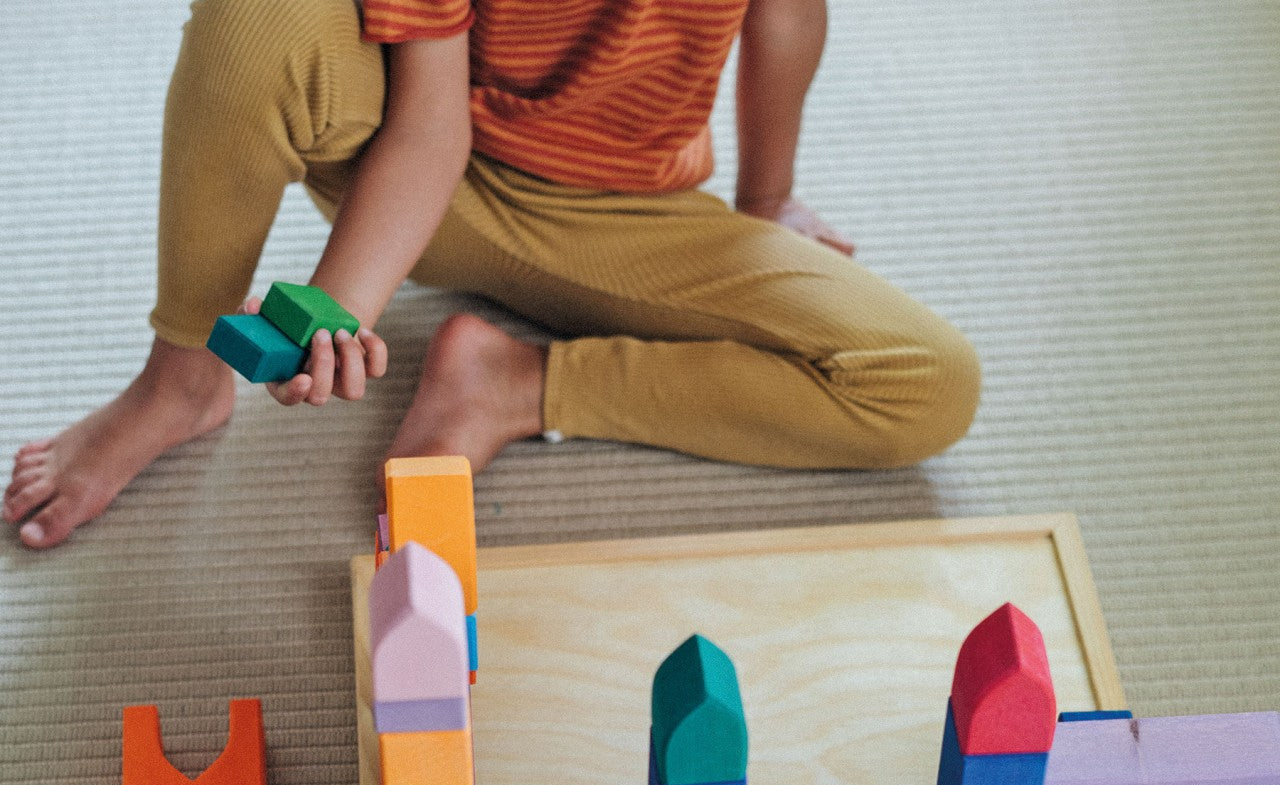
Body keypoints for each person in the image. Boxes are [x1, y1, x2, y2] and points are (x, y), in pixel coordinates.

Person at [3, 0, 980, 551]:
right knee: (255, 19)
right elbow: (429, 126)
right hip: (425, 162)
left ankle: (510, 383)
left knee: (925, 381)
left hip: (625, 214)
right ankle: (179, 383)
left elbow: (789, 15)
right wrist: (338, 308)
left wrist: (768, 199)